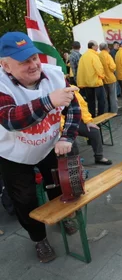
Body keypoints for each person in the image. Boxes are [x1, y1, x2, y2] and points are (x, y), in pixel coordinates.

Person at [0, 32, 81, 263]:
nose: (34, 64)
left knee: (59, 186)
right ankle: (39, 238)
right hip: (13, 153)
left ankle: (63, 217)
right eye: (24, 61)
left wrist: (67, 137)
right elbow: (9, 119)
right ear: (5, 65)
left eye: (34, 57)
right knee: (24, 200)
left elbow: (73, 109)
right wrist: (48, 101)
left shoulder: (54, 75)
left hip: (48, 146)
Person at [62, 88, 112, 165]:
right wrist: (63, 130)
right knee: (70, 140)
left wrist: (88, 121)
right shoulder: (52, 92)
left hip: (75, 121)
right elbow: (55, 116)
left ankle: (99, 157)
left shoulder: (72, 89)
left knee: (94, 131)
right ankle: (75, 165)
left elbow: (82, 106)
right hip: (60, 125)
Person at [77, 40, 106, 117]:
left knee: (91, 101)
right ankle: (101, 116)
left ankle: (92, 116)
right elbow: (99, 68)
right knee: (101, 101)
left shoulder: (83, 56)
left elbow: (80, 70)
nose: (97, 48)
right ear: (93, 46)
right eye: (96, 46)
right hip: (96, 82)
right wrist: (103, 76)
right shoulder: (94, 56)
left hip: (87, 83)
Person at [98, 42, 118, 113]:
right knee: (113, 96)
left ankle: (106, 111)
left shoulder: (98, 55)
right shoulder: (107, 55)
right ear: (107, 48)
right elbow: (112, 67)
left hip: (102, 78)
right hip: (110, 78)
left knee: (105, 97)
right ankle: (114, 111)